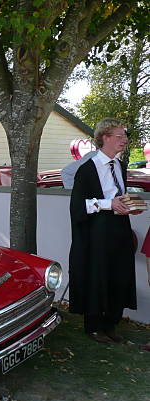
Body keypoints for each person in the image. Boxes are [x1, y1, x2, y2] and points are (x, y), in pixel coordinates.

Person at [69, 119, 136, 344]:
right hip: (97, 232)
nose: (124, 140)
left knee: (119, 274)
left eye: (124, 136)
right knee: (98, 275)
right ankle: (94, 326)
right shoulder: (87, 169)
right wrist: (109, 204)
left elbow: (118, 196)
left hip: (120, 228)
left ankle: (111, 324)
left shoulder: (120, 166)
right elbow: (78, 207)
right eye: (119, 136)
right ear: (104, 138)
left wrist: (129, 207)